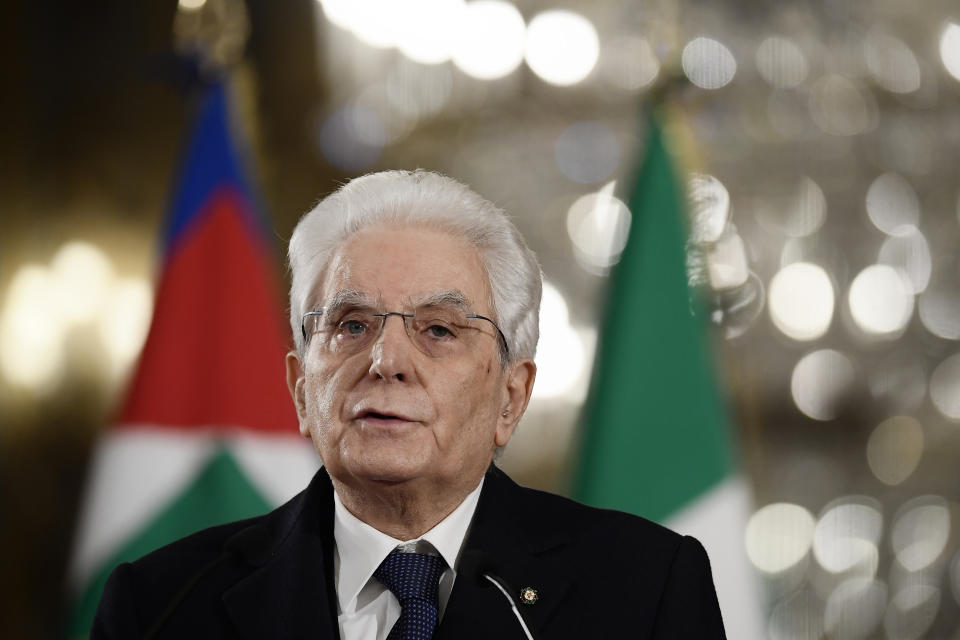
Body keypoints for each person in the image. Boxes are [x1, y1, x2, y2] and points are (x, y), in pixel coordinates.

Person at [92, 170, 726, 639]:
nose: (386, 360)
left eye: (439, 329)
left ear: (512, 395)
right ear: (300, 392)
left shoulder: (645, 592)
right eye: (350, 325)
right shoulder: (160, 605)